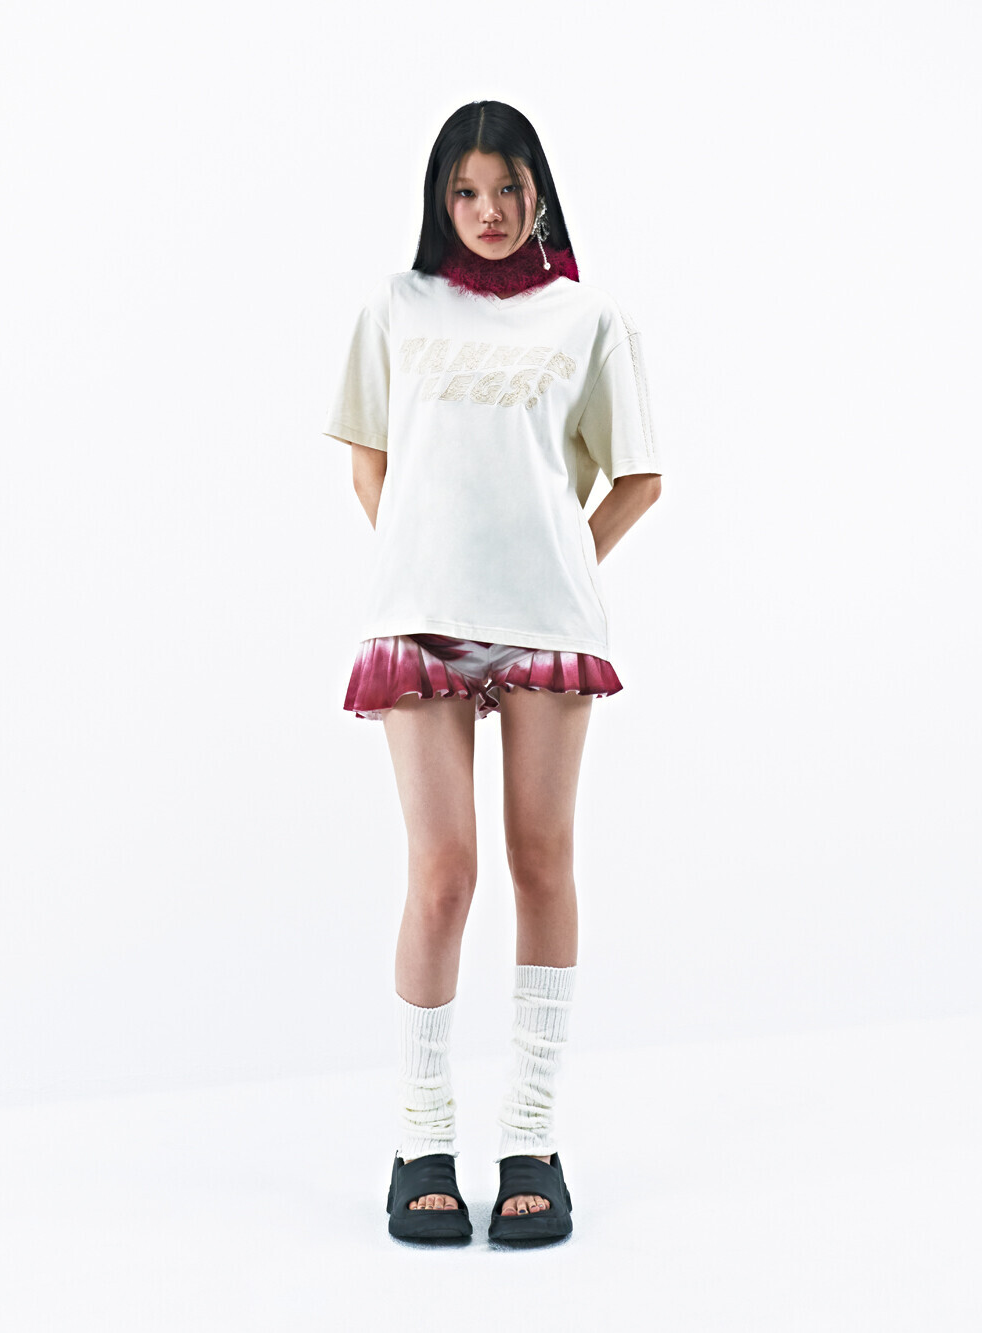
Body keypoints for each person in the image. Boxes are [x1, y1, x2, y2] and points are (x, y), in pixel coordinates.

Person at [322, 100, 663, 1244]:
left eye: (508, 189)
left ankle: (532, 1137)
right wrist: (424, 568)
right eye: (465, 192)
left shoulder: (589, 316)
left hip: (546, 627)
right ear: (440, 199)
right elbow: (369, 463)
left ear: (539, 192)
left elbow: (638, 477)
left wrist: (553, 569)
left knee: (541, 858)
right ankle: (421, 1138)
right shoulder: (395, 306)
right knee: (442, 874)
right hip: (418, 620)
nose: (488, 211)